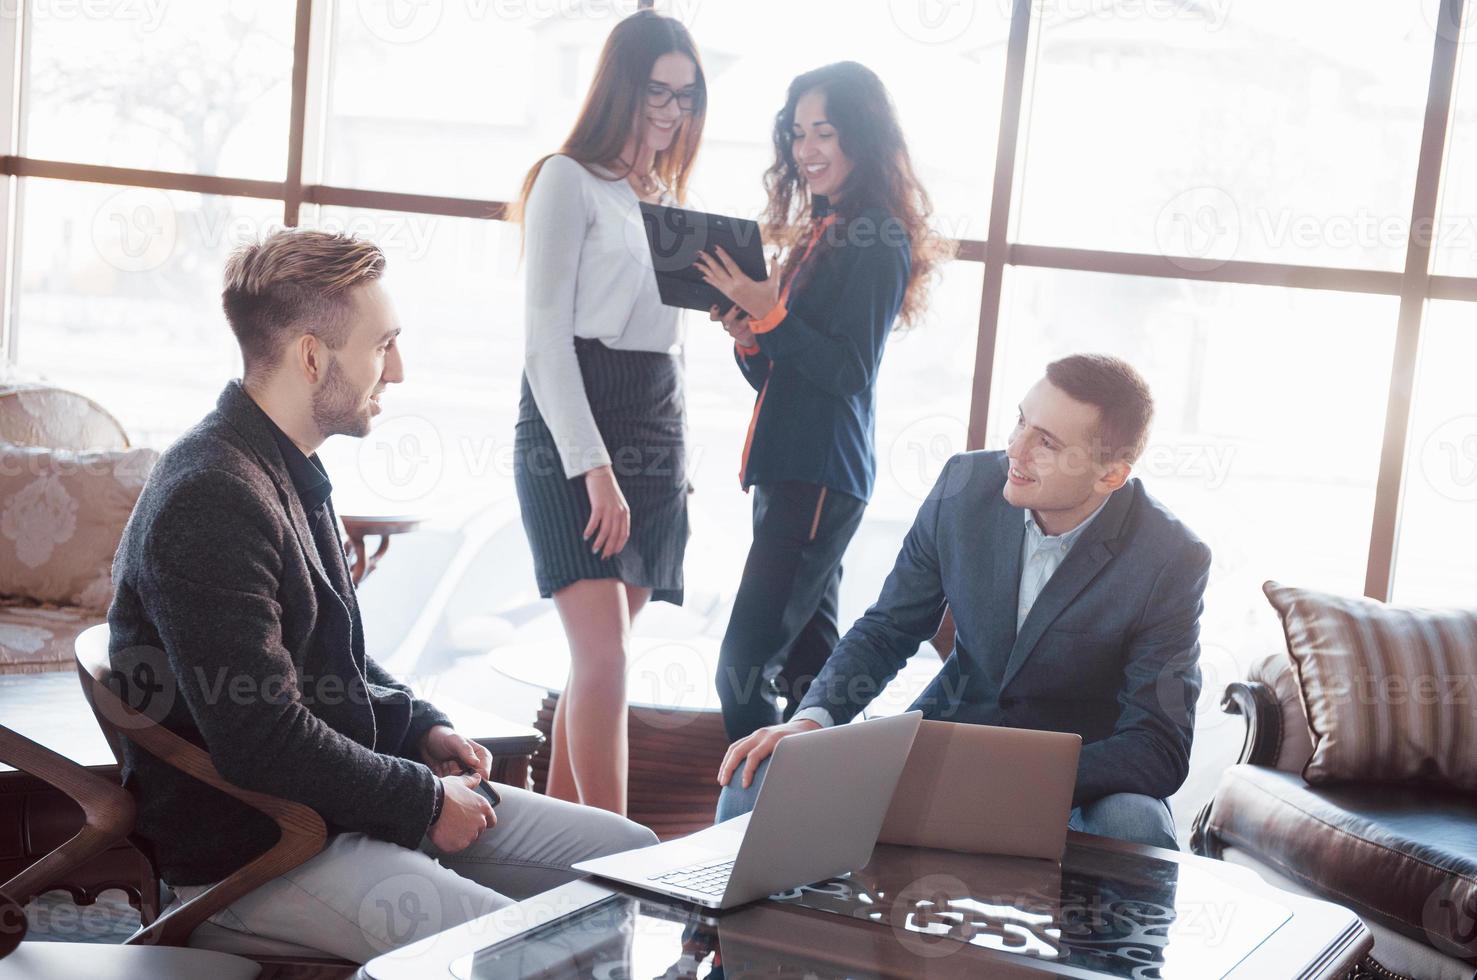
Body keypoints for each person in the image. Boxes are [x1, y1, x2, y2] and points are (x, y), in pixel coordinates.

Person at [107, 230, 657, 964]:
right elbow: (260, 738)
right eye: (383, 344)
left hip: (330, 815)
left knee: (632, 859)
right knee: (527, 956)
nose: (397, 369)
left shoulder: (281, 467)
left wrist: (420, 726)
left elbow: (332, 662)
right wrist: (424, 802)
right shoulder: (212, 495)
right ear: (311, 356)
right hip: (257, 853)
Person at [714, 355, 1211, 851]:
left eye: (1047, 443)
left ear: (1110, 475)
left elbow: (1158, 746)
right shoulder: (964, 486)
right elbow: (888, 629)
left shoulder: (1170, 558)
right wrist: (810, 721)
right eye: (1021, 421)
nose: (1015, 449)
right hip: (945, 744)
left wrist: (1013, 780)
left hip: (1078, 782)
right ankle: (719, 930)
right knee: (756, 777)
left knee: (1134, 823)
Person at [695, 61, 943, 742]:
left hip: (816, 476)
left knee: (741, 667)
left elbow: (848, 371)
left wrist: (771, 317)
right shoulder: (823, 229)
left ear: (859, 138)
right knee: (810, 677)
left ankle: (747, 833)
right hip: (793, 470)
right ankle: (807, 837)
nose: (806, 150)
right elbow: (789, 377)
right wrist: (751, 335)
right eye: (797, 134)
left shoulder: (878, 235)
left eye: (823, 133)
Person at [511, 10, 706, 816]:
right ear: (618, 86)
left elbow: (669, 348)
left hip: (655, 431)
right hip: (575, 428)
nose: (669, 110)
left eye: (685, 96)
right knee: (605, 657)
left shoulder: (663, 199)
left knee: (598, 658)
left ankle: (550, 864)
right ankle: (618, 857)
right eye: (655, 90)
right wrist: (594, 469)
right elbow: (544, 344)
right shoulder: (566, 178)